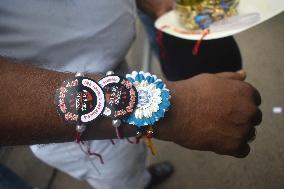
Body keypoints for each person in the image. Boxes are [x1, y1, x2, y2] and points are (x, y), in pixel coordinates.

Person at [0, 1, 262, 189]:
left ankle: (142, 178)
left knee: (133, 161)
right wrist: (177, 109)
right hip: (72, 127)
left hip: (117, 76)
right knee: (120, 177)